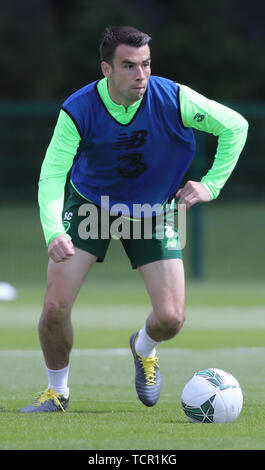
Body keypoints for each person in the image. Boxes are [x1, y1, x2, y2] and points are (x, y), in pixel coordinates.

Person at [20, 26, 248, 412]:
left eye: (145, 64)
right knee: (55, 307)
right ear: (106, 69)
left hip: (153, 211)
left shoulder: (173, 98)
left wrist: (212, 184)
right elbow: (52, 173)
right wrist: (53, 230)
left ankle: (143, 347)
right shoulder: (78, 109)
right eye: (128, 65)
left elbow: (235, 126)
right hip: (92, 205)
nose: (140, 74)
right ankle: (57, 392)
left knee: (172, 318)